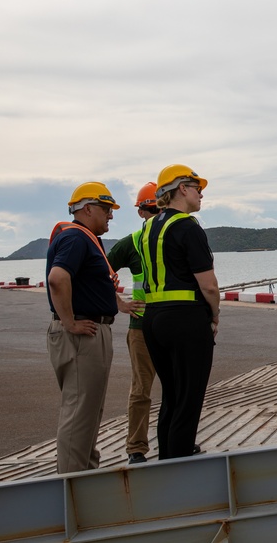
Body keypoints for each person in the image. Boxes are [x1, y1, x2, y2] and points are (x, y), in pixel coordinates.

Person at [46, 182, 141, 473]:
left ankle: (84, 473)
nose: (111, 216)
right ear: (87, 209)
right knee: (79, 412)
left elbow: (86, 281)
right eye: (106, 209)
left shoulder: (86, 239)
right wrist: (69, 322)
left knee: (88, 411)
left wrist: (116, 303)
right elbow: (57, 279)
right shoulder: (76, 238)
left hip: (91, 331)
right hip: (82, 336)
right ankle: (73, 485)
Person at [140, 164, 220, 460]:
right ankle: (181, 464)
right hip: (186, 318)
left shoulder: (148, 228)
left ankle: (166, 460)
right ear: (182, 189)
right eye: (197, 187)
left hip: (154, 319)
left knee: (172, 396)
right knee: (189, 398)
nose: (201, 194)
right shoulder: (187, 226)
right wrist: (214, 314)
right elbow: (208, 286)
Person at [106, 182, 160, 464]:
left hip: (171, 325)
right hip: (141, 327)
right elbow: (101, 271)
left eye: (159, 208)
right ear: (141, 213)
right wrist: (120, 304)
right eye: (150, 210)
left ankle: (177, 439)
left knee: (178, 388)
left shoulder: (176, 239)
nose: (154, 214)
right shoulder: (132, 243)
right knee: (141, 390)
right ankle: (136, 447)